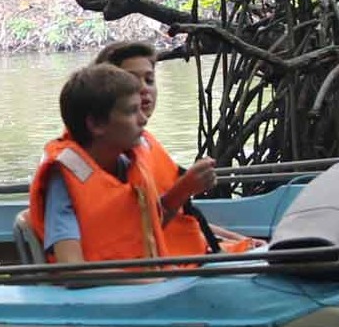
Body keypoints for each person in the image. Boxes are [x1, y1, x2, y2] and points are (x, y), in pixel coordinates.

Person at [28, 64, 216, 265]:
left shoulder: (127, 164)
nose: (143, 120)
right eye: (131, 111)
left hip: (149, 285)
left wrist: (185, 189)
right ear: (96, 125)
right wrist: (140, 281)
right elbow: (71, 268)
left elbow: (148, 229)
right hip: (113, 293)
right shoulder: (64, 181)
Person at [93, 40, 259, 254]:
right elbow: (133, 235)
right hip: (170, 270)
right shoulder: (108, 155)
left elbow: (182, 215)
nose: (144, 88)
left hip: (194, 252)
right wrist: (185, 189)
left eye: (149, 79)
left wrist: (242, 240)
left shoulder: (143, 143)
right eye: (131, 81)